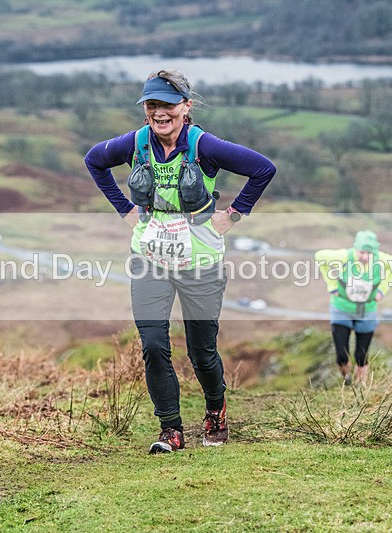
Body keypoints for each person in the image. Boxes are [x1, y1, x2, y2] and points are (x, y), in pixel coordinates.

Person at [85, 69, 275, 453]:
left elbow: (263, 169)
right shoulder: (136, 143)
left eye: (168, 105)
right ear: (145, 111)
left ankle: (215, 411)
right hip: (150, 258)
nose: (160, 113)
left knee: (201, 350)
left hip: (201, 261)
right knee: (153, 344)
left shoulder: (204, 146)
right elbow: (94, 161)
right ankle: (170, 429)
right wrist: (124, 209)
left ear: (185, 107)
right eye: (152, 105)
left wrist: (234, 214)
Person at [315, 230, 392, 385]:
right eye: (361, 252)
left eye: (369, 253)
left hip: (366, 311)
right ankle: (347, 380)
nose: (364, 257)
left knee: (361, 356)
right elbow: (319, 256)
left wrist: (382, 290)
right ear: (355, 249)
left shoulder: (380, 259)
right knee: (342, 354)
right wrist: (332, 285)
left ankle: (361, 388)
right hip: (341, 308)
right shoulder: (344, 256)